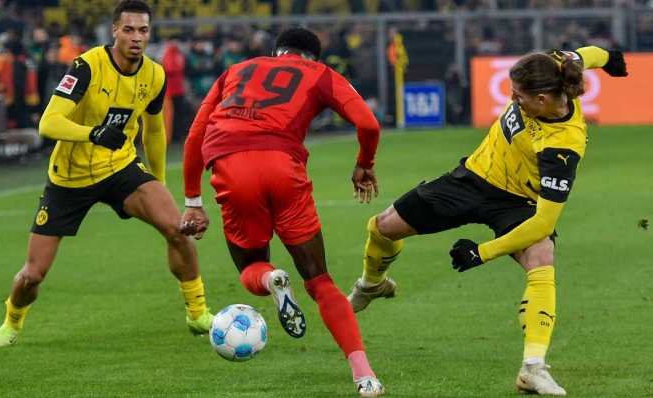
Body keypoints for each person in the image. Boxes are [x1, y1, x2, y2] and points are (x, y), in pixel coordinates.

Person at [347, 46, 628, 395]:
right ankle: (372, 284)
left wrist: (481, 252)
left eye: (518, 96)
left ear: (542, 100)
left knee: (542, 256)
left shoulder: (562, 147)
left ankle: (533, 368)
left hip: (517, 203)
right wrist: (610, 57)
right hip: (472, 177)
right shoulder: (556, 66)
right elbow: (586, 55)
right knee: (382, 226)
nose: (511, 99)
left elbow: (542, 223)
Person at [0, 0, 213, 349]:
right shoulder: (87, 65)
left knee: (177, 229)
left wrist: (159, 186)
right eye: (130, 29)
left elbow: (153, 131)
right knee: (32, 275)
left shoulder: (155, 74)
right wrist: (92, 132)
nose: (137, 37)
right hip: (69, 178)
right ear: (115, 31)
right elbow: (48, 122)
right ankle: (11, 322)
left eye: (143, 30)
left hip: (119, 167)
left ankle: (198, 313)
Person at [182, 28, 385, 397]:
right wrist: (364, 164)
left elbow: (195, 135)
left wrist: (193, 201)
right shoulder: (322, 74)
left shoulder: (236, 70)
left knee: (250, 267)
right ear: (314, 57)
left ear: (276, 52)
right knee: (320, 281)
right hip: (282, 167)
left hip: (230, 165)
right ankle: (365, 376)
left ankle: (271, 279)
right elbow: (369, 123)